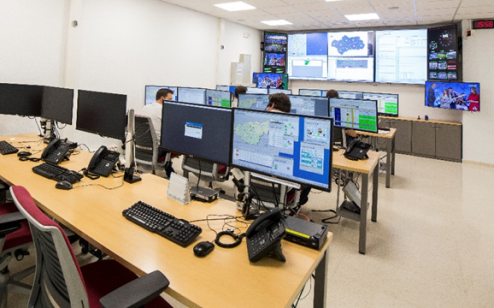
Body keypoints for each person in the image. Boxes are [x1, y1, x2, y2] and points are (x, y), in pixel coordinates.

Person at [139, 88, 174, 177]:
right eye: (169, 100)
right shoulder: (165, 110)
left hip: (140, 148)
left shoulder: (145, 107)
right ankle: (171, 173)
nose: (171, 102)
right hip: (157, 150)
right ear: (162, 98)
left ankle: (170, 171)